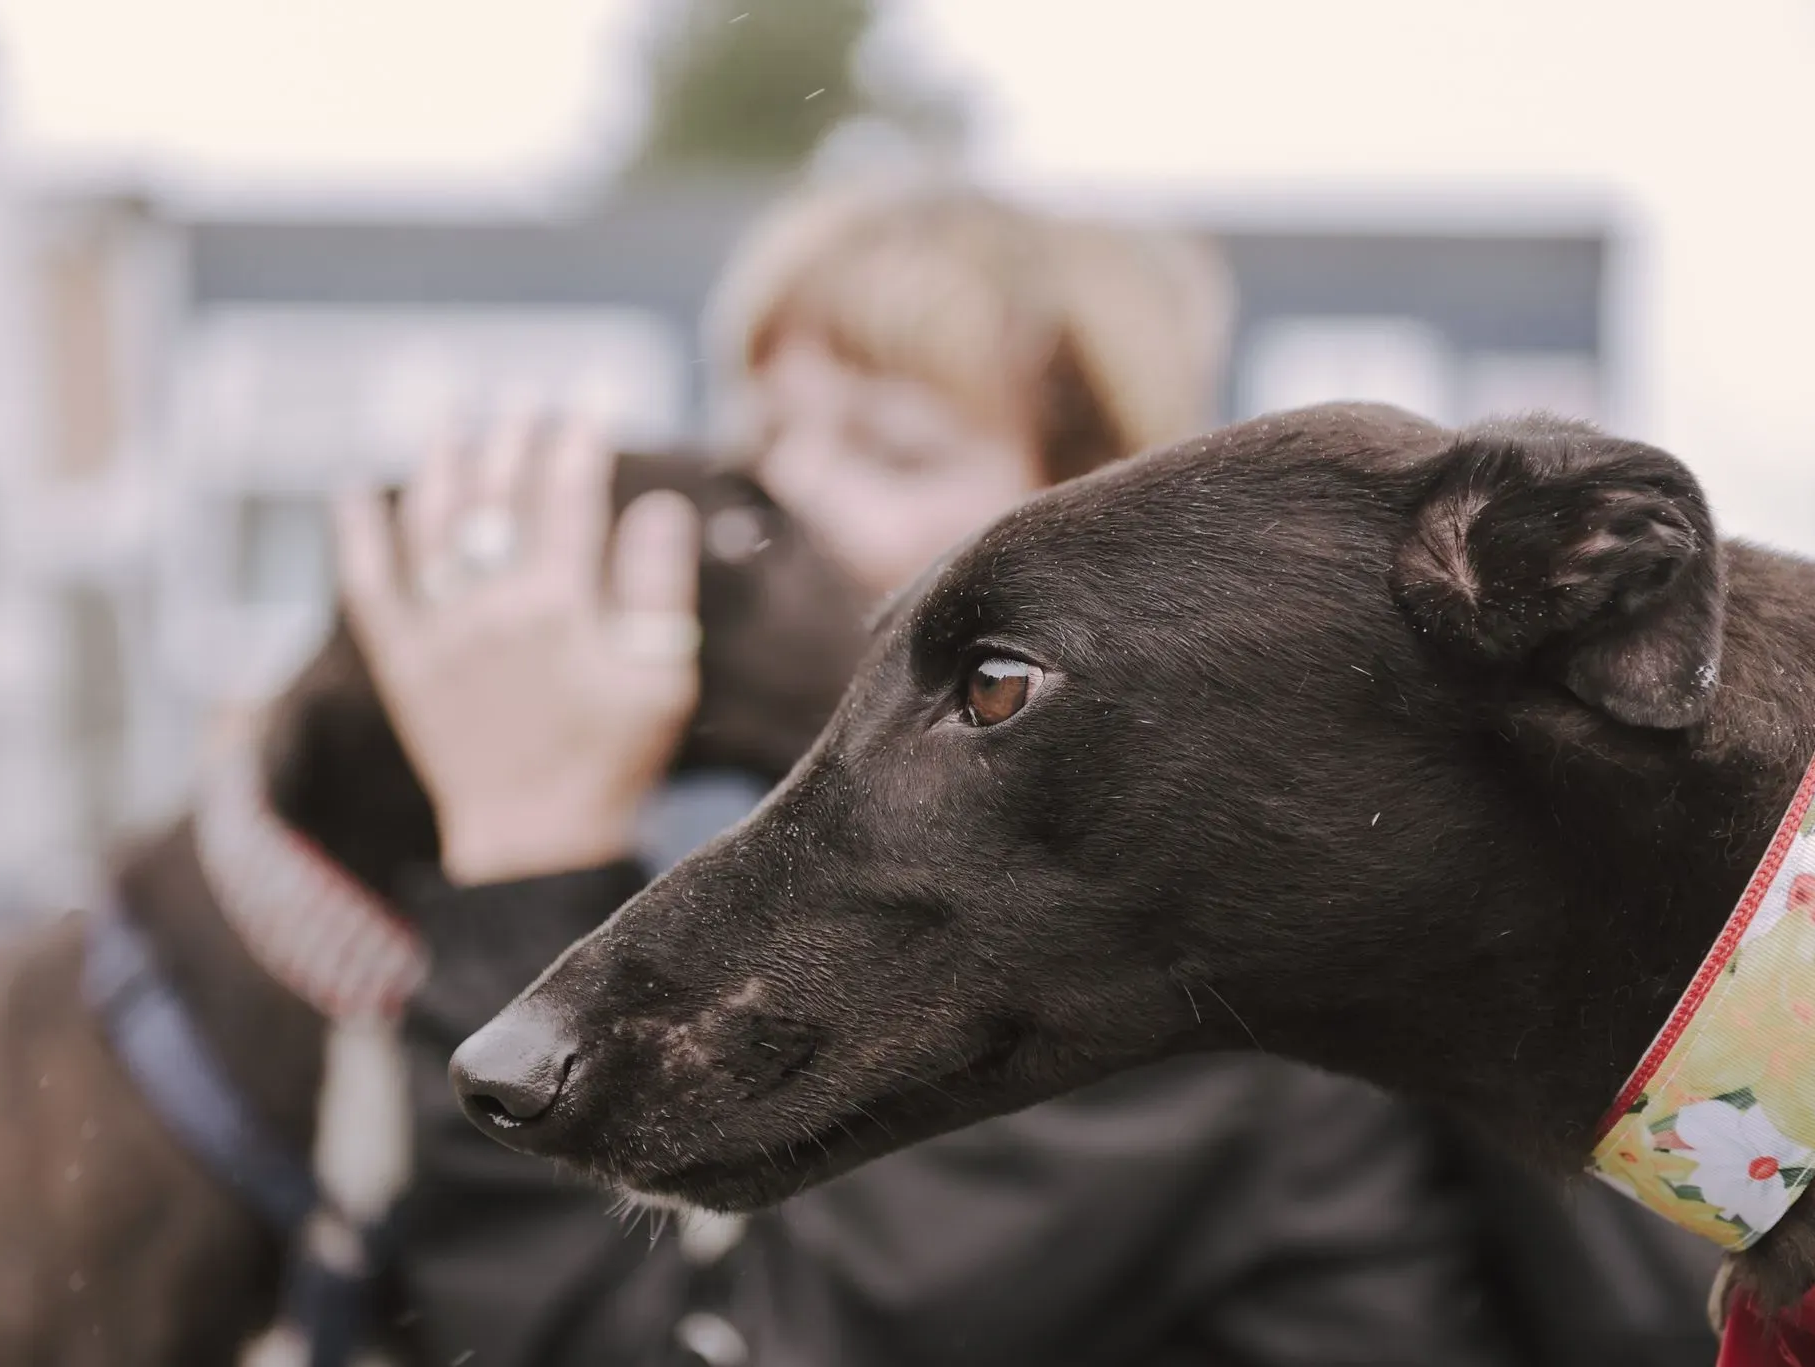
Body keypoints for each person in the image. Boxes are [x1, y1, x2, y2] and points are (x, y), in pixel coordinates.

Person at [338, 179, 1698, 1367]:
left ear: (1100, 513)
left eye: (890, 446)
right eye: (761, 440)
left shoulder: (1160, 951)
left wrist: (523, 847)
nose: (780, 502)